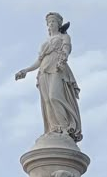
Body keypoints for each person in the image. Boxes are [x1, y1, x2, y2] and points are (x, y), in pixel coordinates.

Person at [15, 12, 82, 142]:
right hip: (44, 71)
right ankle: (54, 129)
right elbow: (39, 61)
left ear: (58, 24)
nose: (51, 24)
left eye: (53, 22)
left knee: (54, 96)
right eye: (49, 22)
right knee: (47, 101)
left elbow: (66, 50)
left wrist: (63, 59)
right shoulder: (46, 42)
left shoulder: (64, 37)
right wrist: (26, 70)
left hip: (57, 68)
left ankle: (65, 128)